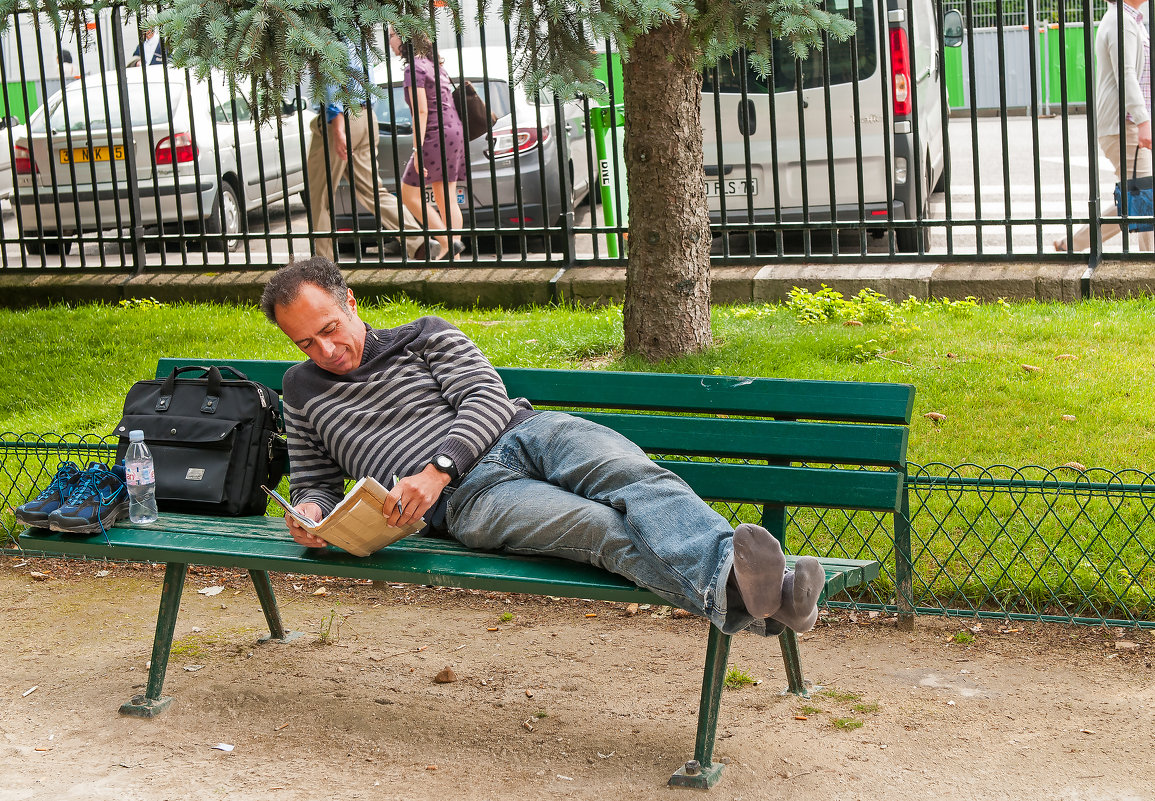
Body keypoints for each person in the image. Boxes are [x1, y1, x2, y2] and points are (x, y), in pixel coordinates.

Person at [258, 258, 827, 635]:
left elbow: (484, 399)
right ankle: (770, 595)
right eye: (306, 342)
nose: (326, 350)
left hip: (524, 433)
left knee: (638, 480)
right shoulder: (301, 390)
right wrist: (309, 512)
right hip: (470, 503)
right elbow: (312, 482)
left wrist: (435, 469)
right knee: (601, 529)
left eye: (330, 328)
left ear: (352, 302)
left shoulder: (425, 335)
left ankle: (755, 597)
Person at [307, 39, 440, 262]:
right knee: (374, 192)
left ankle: (323, 267)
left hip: (340, 120)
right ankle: (418, 242)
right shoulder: (358, 27)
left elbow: (333, 77)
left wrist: (338, 125)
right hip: (366, 115)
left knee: (318, 198)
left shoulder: (326, 24)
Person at [1056, 0, 1153, 252]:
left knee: (1139, 198)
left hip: (1129, 124)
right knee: (1146, 199)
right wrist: (1143, 120)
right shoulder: (1122, 22)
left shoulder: (1130, 20)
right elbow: (1126, 74)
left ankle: (1074, 243)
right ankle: (1149, 267)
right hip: (1126, 126)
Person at [389, 27, 467, 260]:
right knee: (447, 197)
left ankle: (448, 243)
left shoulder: (414, 69)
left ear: (405, 38)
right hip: (453, 131)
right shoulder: (434, 64)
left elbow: (421, 111)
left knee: (408, 194)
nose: (390, 40)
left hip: (434, 134)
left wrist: (417, 149)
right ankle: (453, 253)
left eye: (392, 35)